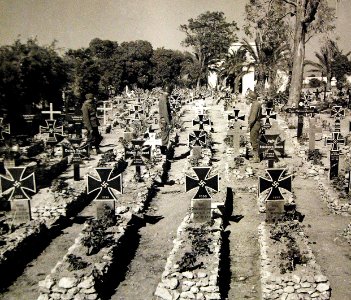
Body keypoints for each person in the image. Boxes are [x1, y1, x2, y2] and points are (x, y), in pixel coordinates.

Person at [247, 91, 262, 163]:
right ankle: (255, 156)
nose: (248, 100)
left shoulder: (255, 105)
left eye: (248, 98)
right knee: (253, 139)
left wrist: (249, 125)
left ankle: (256, 158)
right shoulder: (256, 103)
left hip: (255, 124)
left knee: (254, 140)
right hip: (255, 124)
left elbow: (253, 116)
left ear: (251, 98)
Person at [158, 85, 172, 155]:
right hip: (164, 120)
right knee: (165, 135)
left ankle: (164, 149)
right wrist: (168, 123)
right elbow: (165, 112)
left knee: (165, 135)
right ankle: (163, 151)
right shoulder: (164, 99)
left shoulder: (163, 97)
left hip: (163, 119)